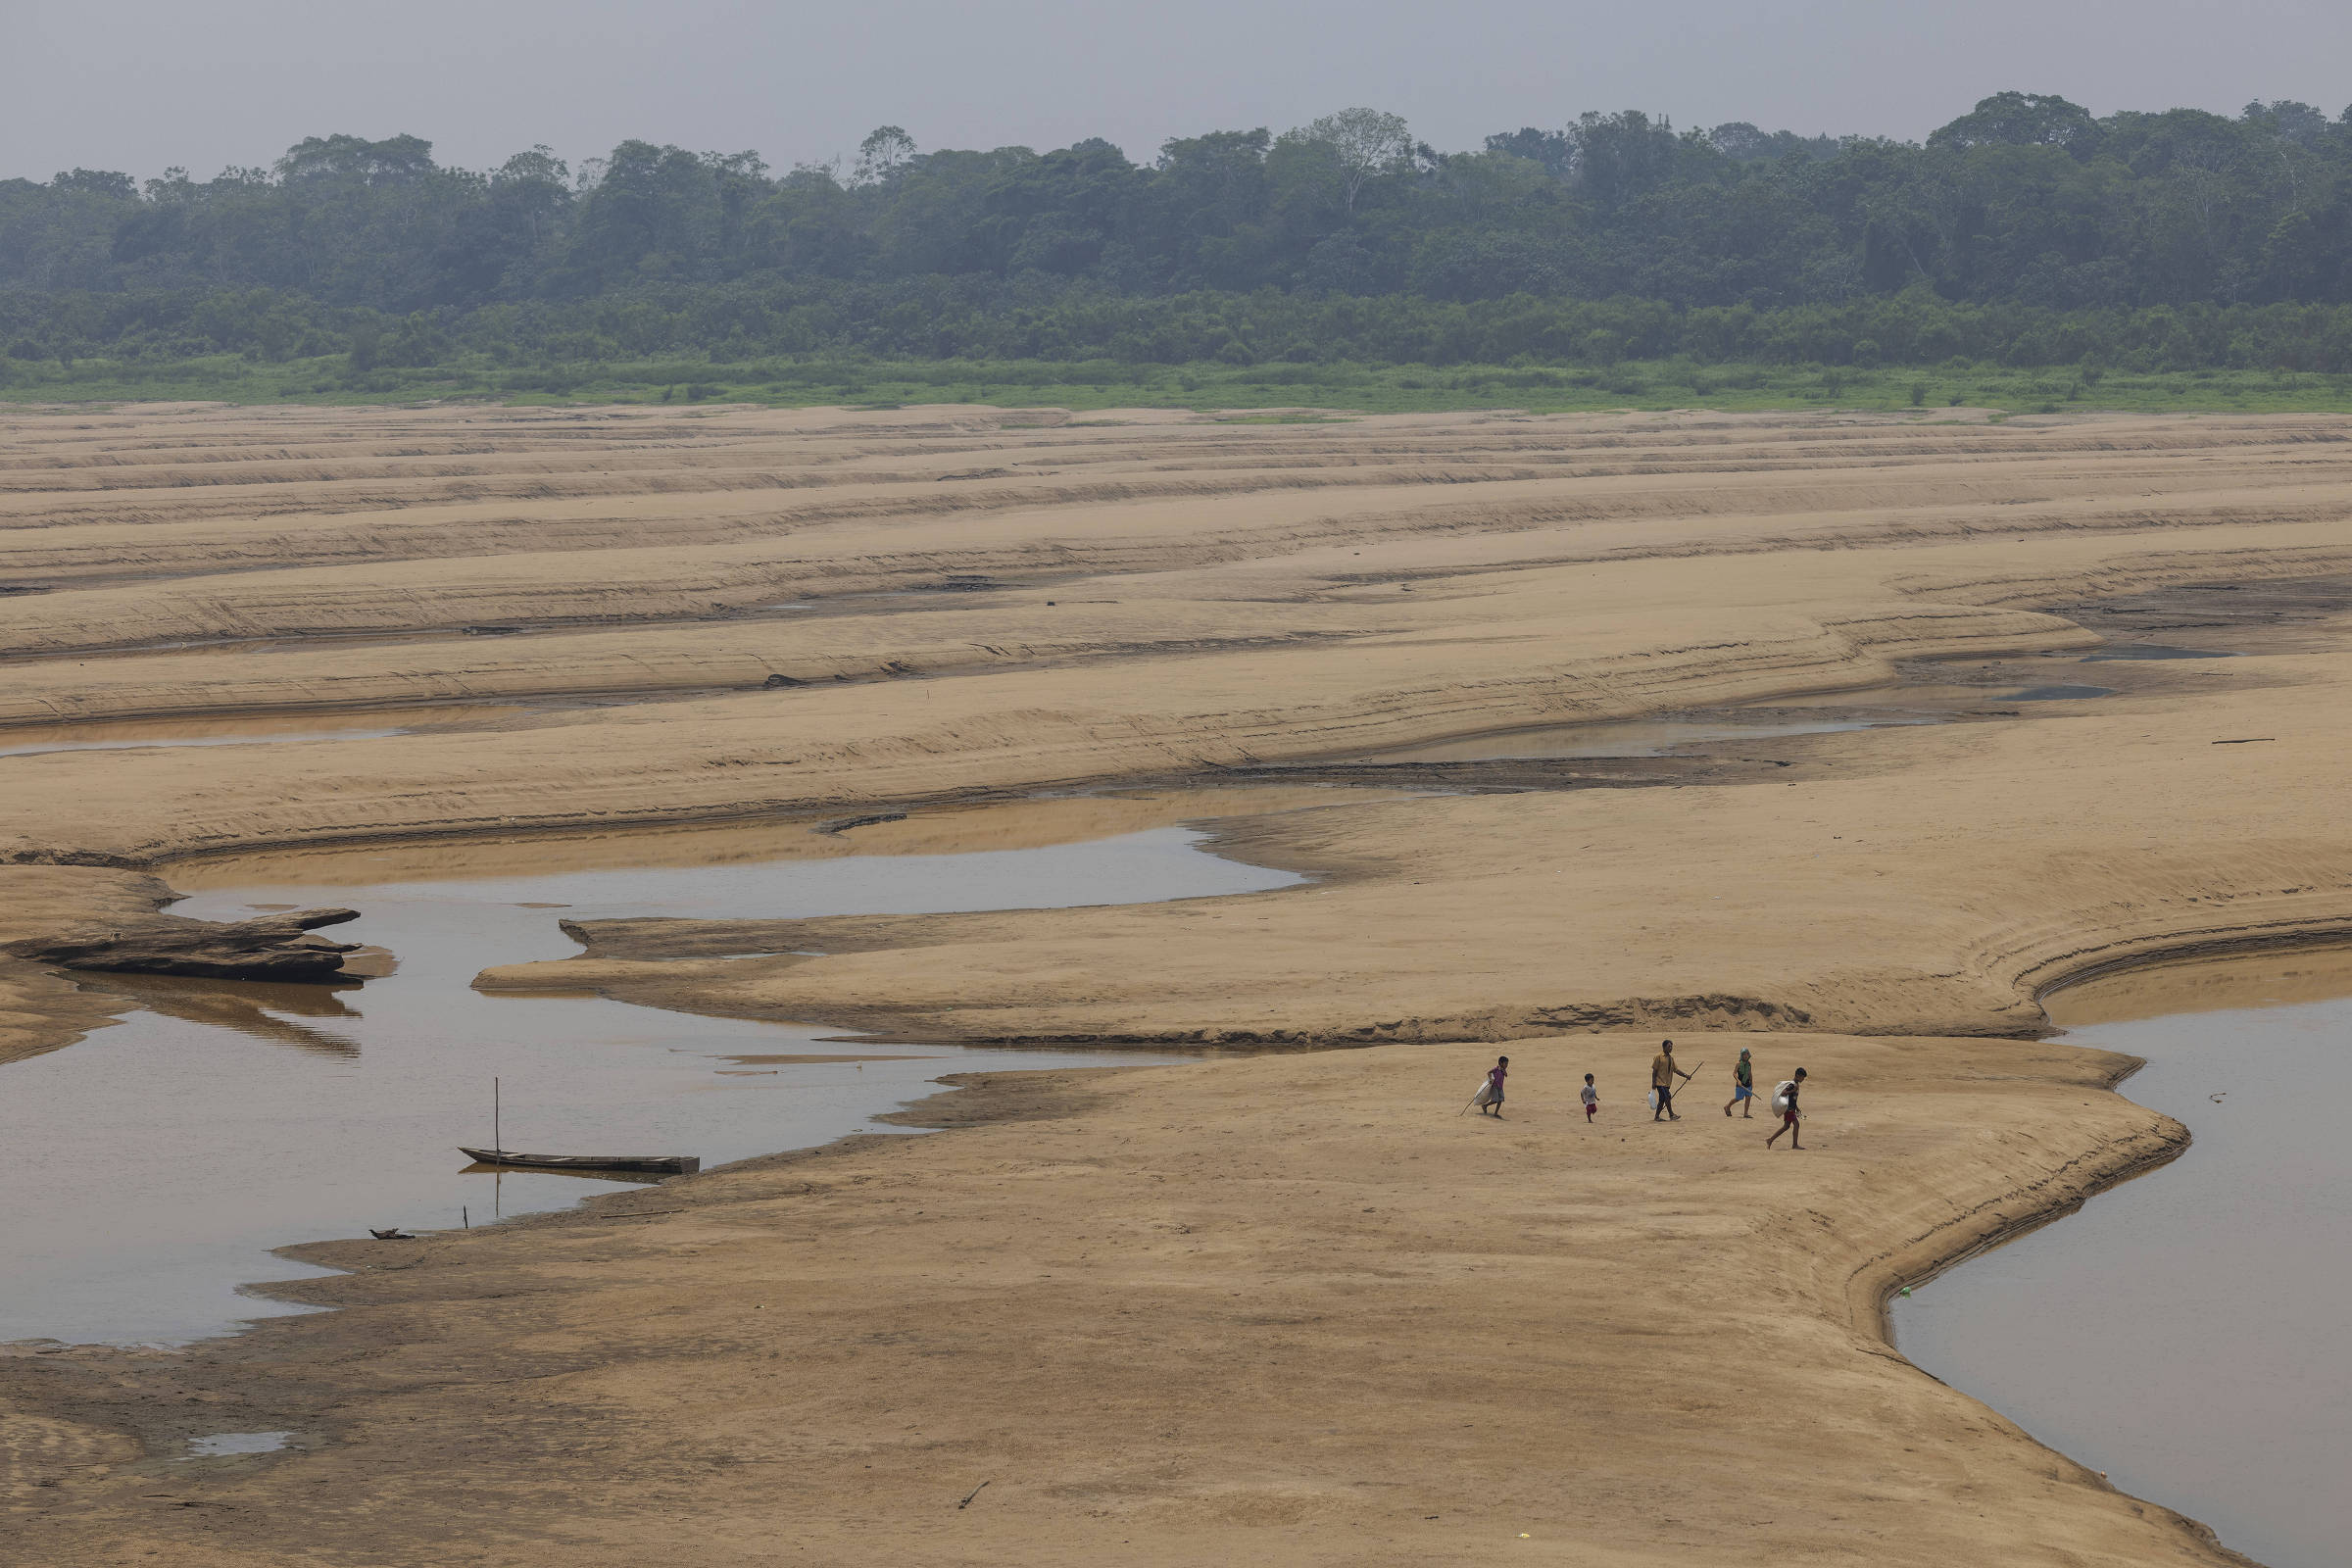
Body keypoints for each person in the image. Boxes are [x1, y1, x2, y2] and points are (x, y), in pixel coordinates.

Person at [1650, 1039, 1693, 1121]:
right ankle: (1671, 1115)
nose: (1671, 1048)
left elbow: (1676, 1070)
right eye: (1669, 1046)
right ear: (1664, 1047)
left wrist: (1686, 1075)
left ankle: (1657, 1117)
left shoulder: (1671, 1058)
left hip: (1667, 1083)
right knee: (1667, 1097)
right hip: (1660, 1083)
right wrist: (1653, 1082)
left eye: (1671, 1047)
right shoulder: (1658, 1057)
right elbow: (1654, 1071)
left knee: (1662, 1100)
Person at [1765, 1066, 1808, 1150]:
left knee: (1786, 1126)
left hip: (1791, 1108)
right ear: (1798, 1075)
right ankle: (1794, 1145)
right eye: (1802, 1077)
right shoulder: (1792, 1085)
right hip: (1789, 1109)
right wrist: (1793, 1090)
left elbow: (1793, 1099)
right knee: (1796, 1124)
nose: (1803, 1079)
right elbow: (1783, 1093)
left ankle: (1770, 1140)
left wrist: (1797, 1108)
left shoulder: (1796, 1084)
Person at [1724, 1048, 1756, 1118]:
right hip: (1740, 1085)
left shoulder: (1749, 1064)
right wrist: (1738, 1081)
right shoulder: (1738, 1064)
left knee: (1748, 1098)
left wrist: (1752, 1082)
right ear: (1742, 1055)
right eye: (1744, 1054)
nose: (1745, 1056)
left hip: (1748, 1084)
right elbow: (1734, 1073)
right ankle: (1727, 1106)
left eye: (1747, 1054)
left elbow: (1750, 1073)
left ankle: (1746, 1113)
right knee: (1738, 1098)